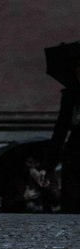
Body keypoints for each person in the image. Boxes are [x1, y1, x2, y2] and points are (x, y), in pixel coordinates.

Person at [42, 42, 80, 213]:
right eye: (78, 66)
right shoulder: (70, 96)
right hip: (74, 157)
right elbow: (60, 130)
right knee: (72, 206)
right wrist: (47, 165)